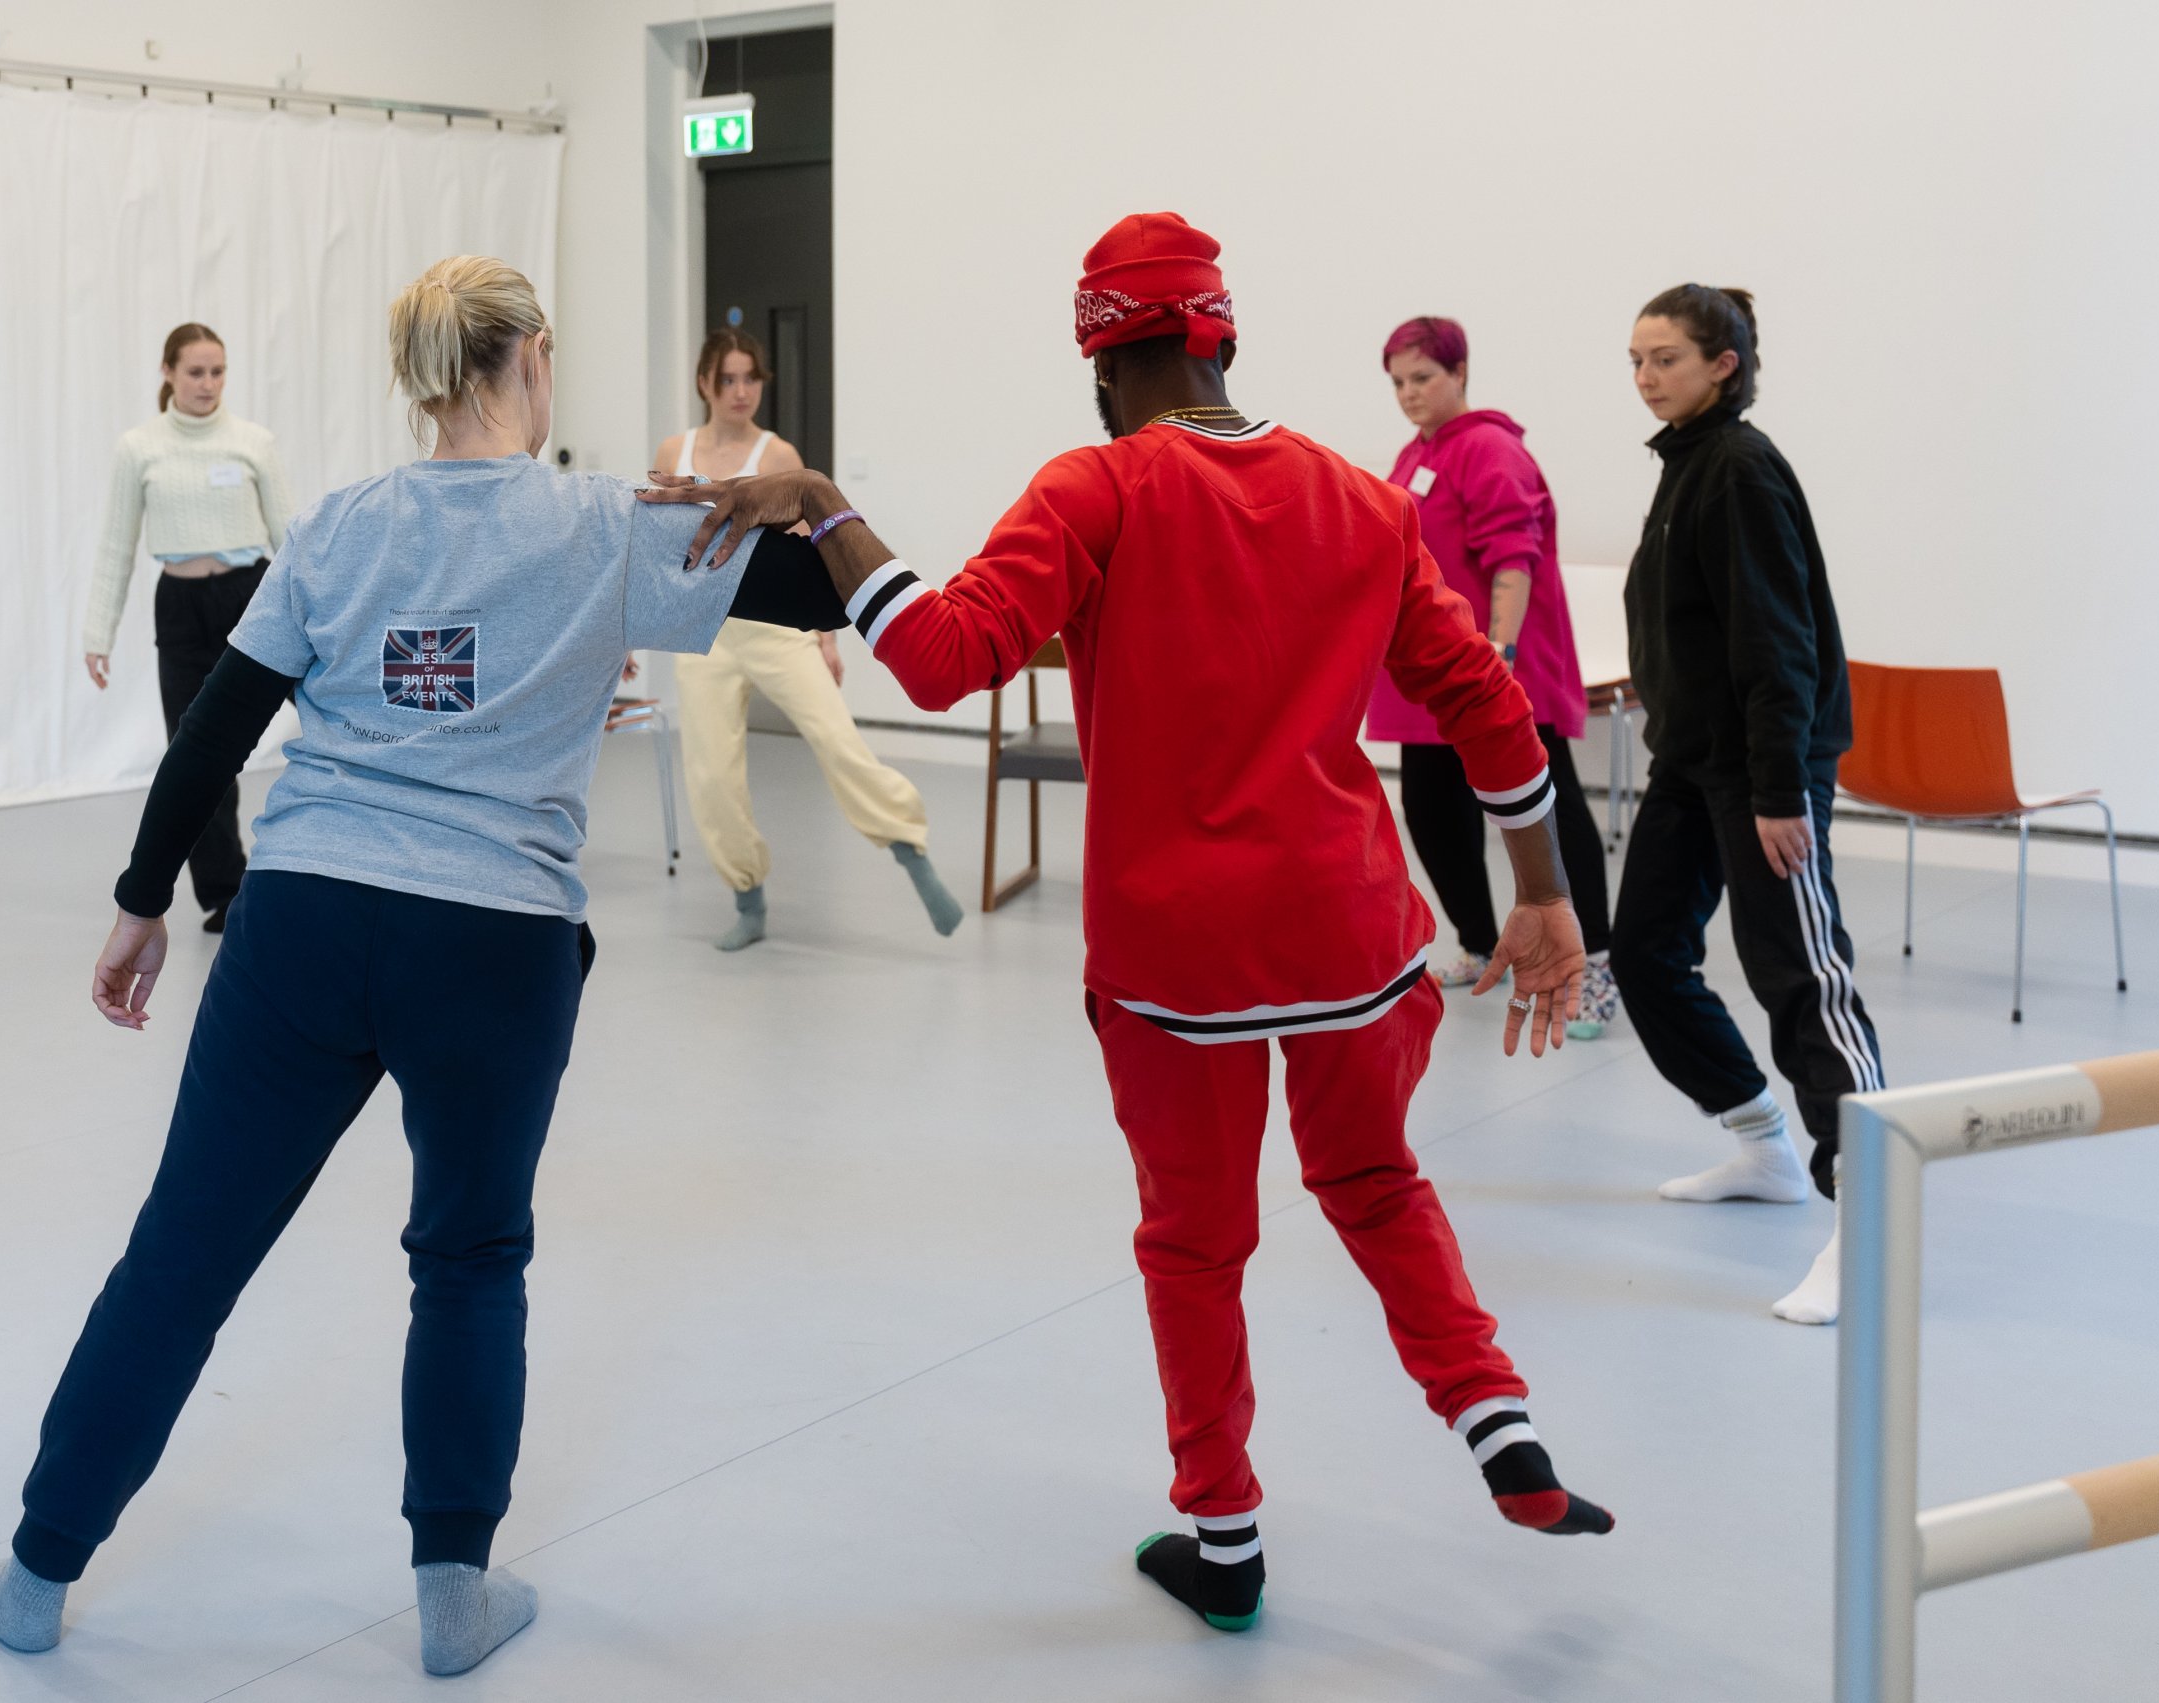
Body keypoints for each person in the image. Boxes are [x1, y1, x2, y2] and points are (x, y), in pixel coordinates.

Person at [652, 213, 1614, 1636]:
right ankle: (1499, 1421)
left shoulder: (1093, 487)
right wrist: (1541, 890)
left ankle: (1224, 1539)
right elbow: (1484, 698)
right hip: (1352, 935)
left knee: (1195, 1243)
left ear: (1102, 365)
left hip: (1182, 958)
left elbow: (940, 656)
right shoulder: (1363, 498)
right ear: (1222, 338)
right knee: (1374, 1178)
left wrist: (826, 504)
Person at [0, 256, 848, 1676]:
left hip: (305, 919)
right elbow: (830, 594)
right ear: (531, 356)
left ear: (421, 377)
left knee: (182, 1253)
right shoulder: (612, 524)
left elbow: (215, 729)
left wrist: (140, 899)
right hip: (496, 939)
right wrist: (813, 492)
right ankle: (451, 1595)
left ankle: (35, 1572)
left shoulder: (339, 524)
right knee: (471, 1257)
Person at [1610, 284, 1885, 1327]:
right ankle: (1761, 1143)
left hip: (1761, 774)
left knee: (1803, 980)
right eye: (1636, 360)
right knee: (1644, 953)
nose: (1646, 377)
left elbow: (1779, 641)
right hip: (1692, 761)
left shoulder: (1738, 467)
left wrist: (1779, 791)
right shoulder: (1686, 460)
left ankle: (1871, 1219)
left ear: (1722, 364)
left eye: (1666, 358)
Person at [653, 327, 961, 951]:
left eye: (751, 377)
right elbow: (657, 546)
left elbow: (815, 555)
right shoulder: (674, 449)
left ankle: (908, 847)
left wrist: (826, 638)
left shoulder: (778, 455)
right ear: (705, 383)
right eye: (728, 378)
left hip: (776, 633)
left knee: (837, 739)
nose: (741, 390)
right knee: (711, 774)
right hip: (704, 631)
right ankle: (748, 899)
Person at [1371, 317, 1616, 1034]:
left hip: (1496, 667)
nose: (1409, 393)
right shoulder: (1417, 452)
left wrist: (1499, 652)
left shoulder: (1489, 448)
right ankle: (1481, 942)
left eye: (1423, 377)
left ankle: (1595, 965)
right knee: (1431, 809)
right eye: (1398, 382)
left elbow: (1514, 558)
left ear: (1460, 373)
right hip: (1434, 671)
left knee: (1548, 812)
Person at [84, 323, 293, 932]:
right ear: (168, 373)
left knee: (323, 715)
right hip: (178, 605)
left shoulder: (252, 442)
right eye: (196, 372)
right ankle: (226, 894)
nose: (208, 384)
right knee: (196, 750)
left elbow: (291, 538)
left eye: (217, 372)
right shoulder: (139, 448)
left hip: (250, 598)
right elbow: (116, 546)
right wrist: (97, 634)